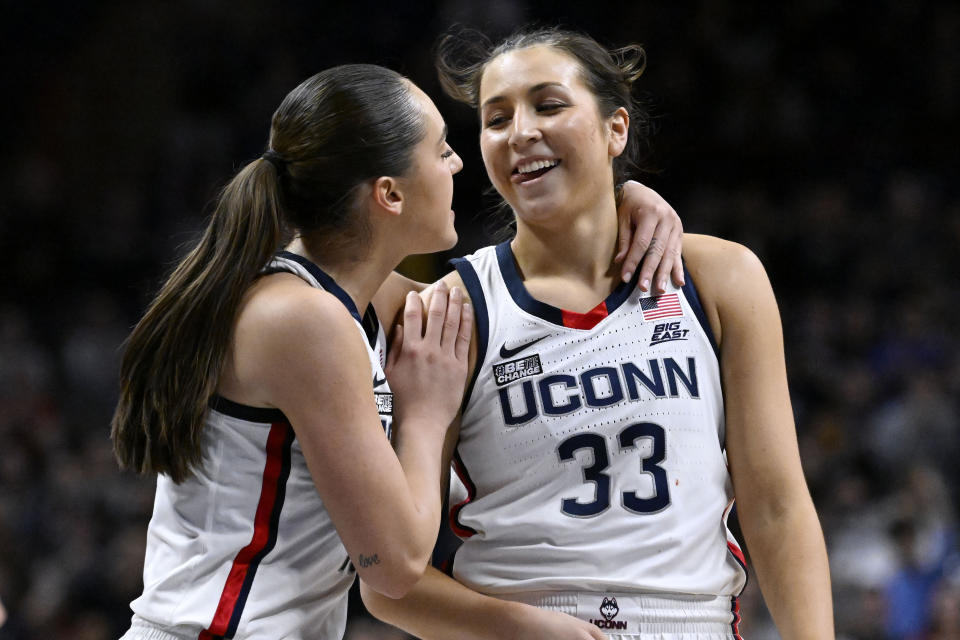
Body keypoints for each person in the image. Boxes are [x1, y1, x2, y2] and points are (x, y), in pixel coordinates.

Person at [111, 62, 685, 639]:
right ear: (389, 194)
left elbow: (504, 304)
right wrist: (425, 415)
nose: (458, 162)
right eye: (440, 152)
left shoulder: (359, 299)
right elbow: (394, 564)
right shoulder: (300, 319)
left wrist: (621, 202)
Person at [361, 27, 835, 640]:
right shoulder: (453, 307)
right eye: (496, 118)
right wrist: (523, 628)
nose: (521, 131)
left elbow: (775, 507)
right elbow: (390, 580)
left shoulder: (720, 278)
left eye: (549, 105)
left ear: (617, 129)